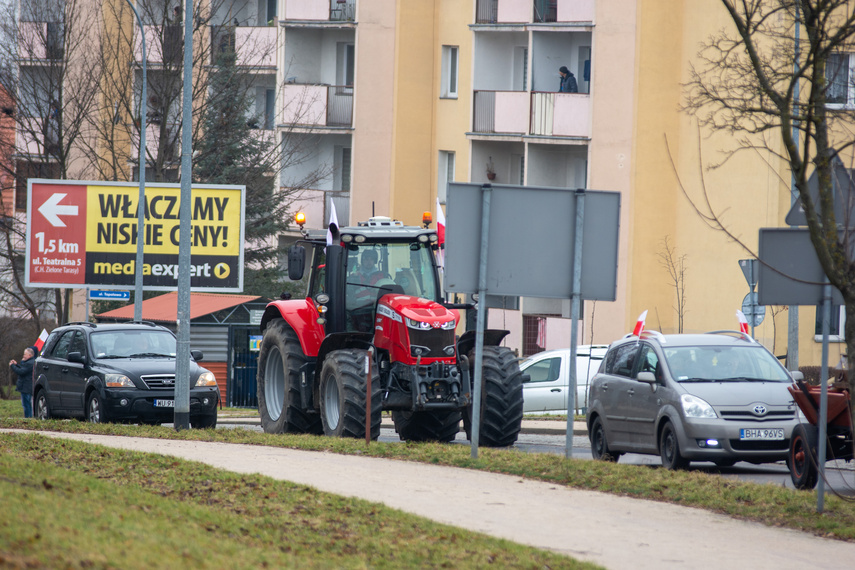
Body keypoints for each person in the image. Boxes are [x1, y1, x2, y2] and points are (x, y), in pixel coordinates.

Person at [10, 346, 37, 418]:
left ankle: (28, 418)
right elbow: (23, 369)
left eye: (25, 354)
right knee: (27, 404)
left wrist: (12, 366)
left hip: (26, 387)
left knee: (26, 405)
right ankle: (28, 417)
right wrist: (16, 365)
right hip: (26, 386)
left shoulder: (29, 363)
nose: (23, 356)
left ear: (30, 355)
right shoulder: (29, 362)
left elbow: (21, 372)